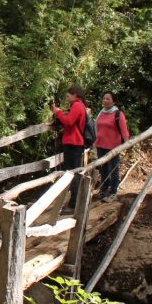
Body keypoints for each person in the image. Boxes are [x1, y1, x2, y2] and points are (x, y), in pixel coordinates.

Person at [51, 85, 87, 213]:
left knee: (72, 174)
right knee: (73, 173)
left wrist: (58, 112)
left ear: (75, 95)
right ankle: (73, 201)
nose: (67, 98)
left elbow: (69, 122)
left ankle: (73, 204)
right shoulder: (80, 106)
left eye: (68, 95)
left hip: (73, 143)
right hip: (75, 143)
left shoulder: (77, 106)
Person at [95, 92, 130, 202]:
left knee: (114, 168)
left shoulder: (118, 114)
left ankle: (113, 191)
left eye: (108, 99)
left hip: (113, 146)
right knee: (103, 168)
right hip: (100, 145)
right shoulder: (101, 113)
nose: (105, 100)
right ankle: (104, 190)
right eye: (104, 98)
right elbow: (97, 129)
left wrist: (126, 144)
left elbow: (124, 132)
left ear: (113, 101)